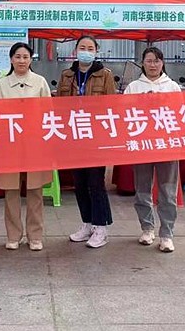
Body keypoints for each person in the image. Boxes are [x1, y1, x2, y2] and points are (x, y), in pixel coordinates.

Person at [56, 35, 117, 248]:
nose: (86, 51)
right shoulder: (67, 75)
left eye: (90, 48)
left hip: (96, 137)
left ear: (96, 51)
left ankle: (101, 227)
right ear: (75, 51)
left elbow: (112, 106)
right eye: (82, 47)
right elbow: (59, 105)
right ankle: (87, 223)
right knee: (79, 183)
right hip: (74, 136)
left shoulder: (105, 75)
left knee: (95, 183)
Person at [0, 42, 52, 251]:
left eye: (25, 57)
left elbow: (48, 111)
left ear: (30, 59)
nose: (21, 61)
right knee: (11, 191)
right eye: (17, 57)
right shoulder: (2, 84)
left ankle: (35, 236)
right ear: (11, 59)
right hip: (10, 144)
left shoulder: (40, 81)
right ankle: (13, 235)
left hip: (34, 144)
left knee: (35, 191)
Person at [123, 47, 180, 253]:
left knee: (168, 192)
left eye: (157, 61)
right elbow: (124, 113)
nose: (153, 65)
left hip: (167, 146)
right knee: (142, 190)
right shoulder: (133, 87)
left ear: (162, 63)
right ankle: (147, 228)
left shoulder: (172, 87)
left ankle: (167, 234)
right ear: (142, 63)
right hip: (142, 146)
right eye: (149, 61)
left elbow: (180, 114)